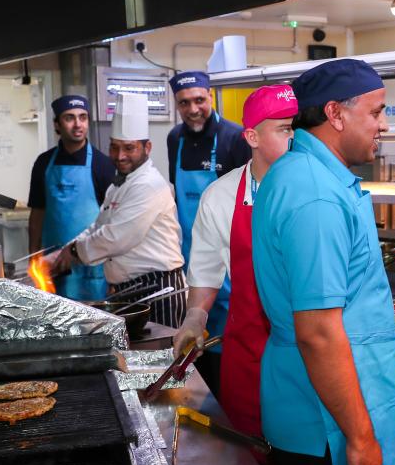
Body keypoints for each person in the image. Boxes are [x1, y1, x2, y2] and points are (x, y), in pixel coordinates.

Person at [251, 59, 395, 465]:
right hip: (324, 424)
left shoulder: (308, 174)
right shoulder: (316, 195)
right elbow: (319, 334)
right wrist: (361, 438)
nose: (385, 124)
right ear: (335, 114)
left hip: (318, 407)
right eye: (375, 112)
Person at [172, 84, 297, 465]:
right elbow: (207, 270)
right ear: (252, 137)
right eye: (283, 129)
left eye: (296, 129)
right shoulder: (221, 196)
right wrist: (195, 317)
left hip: (305, 355)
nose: (293, 138)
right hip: (248, 355)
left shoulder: (314, 192)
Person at [48, 92, 186, 327]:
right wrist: (65, 251)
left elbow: (116, 238)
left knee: (160, 361)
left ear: (147, 147)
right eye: (114, 147)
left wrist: (73, 252)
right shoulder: (120, 184)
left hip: (159, 289)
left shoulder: (148, 185)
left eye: (129, 148)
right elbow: (100, 226)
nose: (120, 156)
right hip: (132, 289)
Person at [167, 70, 252, 396]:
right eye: (184, 102)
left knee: (230, 356)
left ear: (211, 97)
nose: (193, 109)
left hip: (233, 265)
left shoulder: (235, 138)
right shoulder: (175, 138)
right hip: (194, 262)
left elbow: (249, 206)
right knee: (197, 350)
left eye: (199, 100)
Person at [27, 95, 116, 301]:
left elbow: (112, 220)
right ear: (57, 125)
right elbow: (37, 213)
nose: (78, 124)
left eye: (83, 117)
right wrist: (34, 257)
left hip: (92, 267)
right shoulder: (43, 163)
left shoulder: (103, 165)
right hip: (52, 267)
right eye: (69, 118)